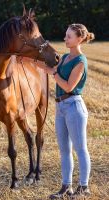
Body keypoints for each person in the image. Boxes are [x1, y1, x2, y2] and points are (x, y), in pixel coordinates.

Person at [41, 24, 95, 199]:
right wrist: (26, 60)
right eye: (65, 35)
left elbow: (68, 86)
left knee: (80, 149)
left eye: (69, 36)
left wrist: (54, 74)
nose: (65, 39)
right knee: (64, 150)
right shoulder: (64, 57)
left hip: (74, 108)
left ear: (79, 39)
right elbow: (49, 68)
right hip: (61, 108)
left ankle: (84, 187)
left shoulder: (80, 61)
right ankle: (66, 187)